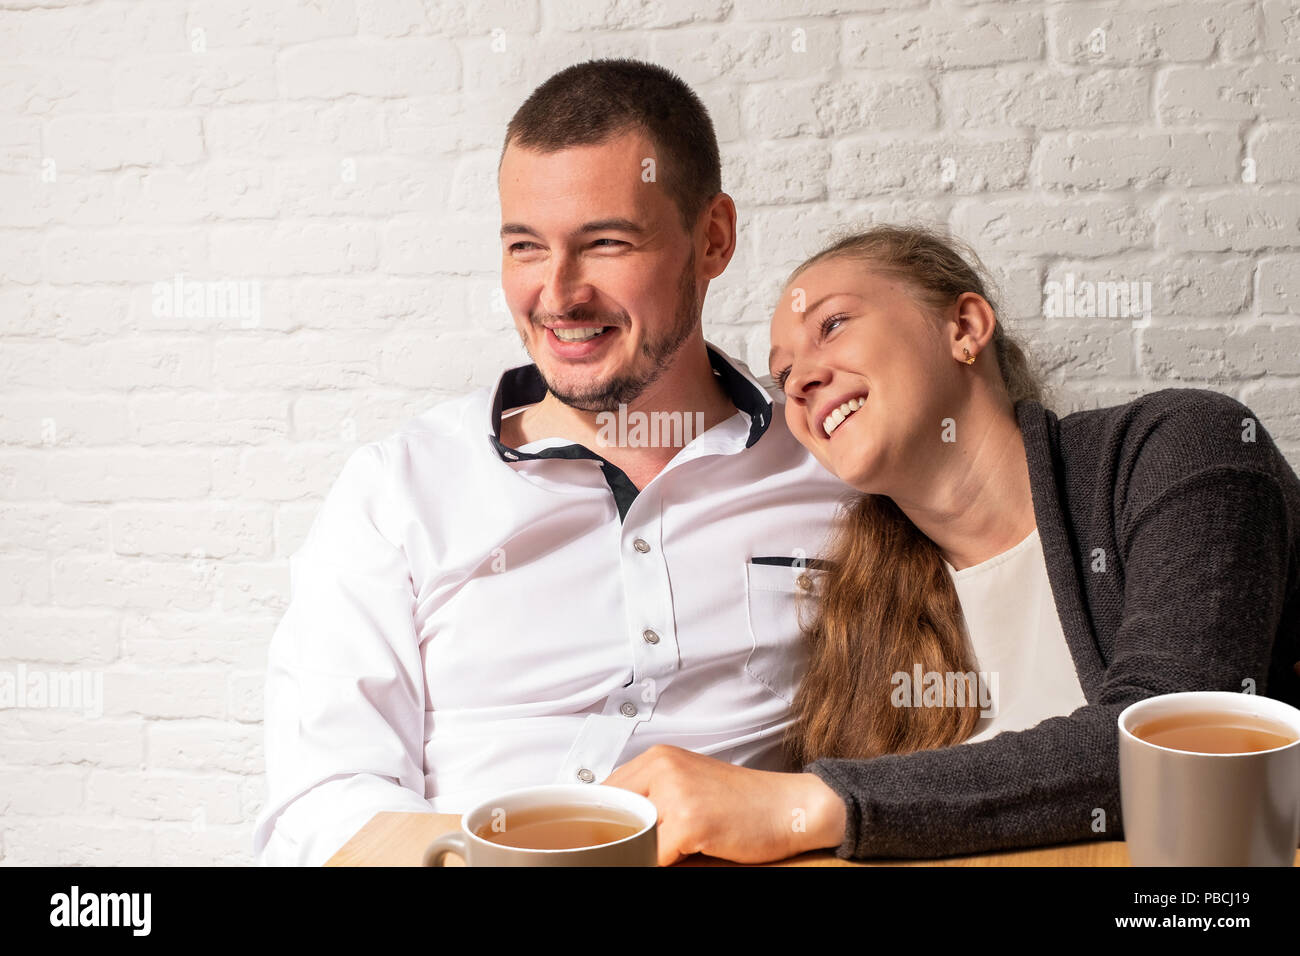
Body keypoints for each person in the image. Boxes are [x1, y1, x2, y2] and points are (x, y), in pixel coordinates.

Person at [252, 59, 851, 865]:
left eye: (605, 243)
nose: (559, 294)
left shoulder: (831, 465)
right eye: (526, 247)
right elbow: (321, 797)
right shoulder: (399, 492)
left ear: (712, 239)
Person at [604, 224, 1300, 865]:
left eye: (834, 324)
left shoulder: (1180, 449)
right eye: (783, 377)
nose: (802, 381)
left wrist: (810, 801)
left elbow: (1175, 747)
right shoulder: (864, 609)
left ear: (964, 328)